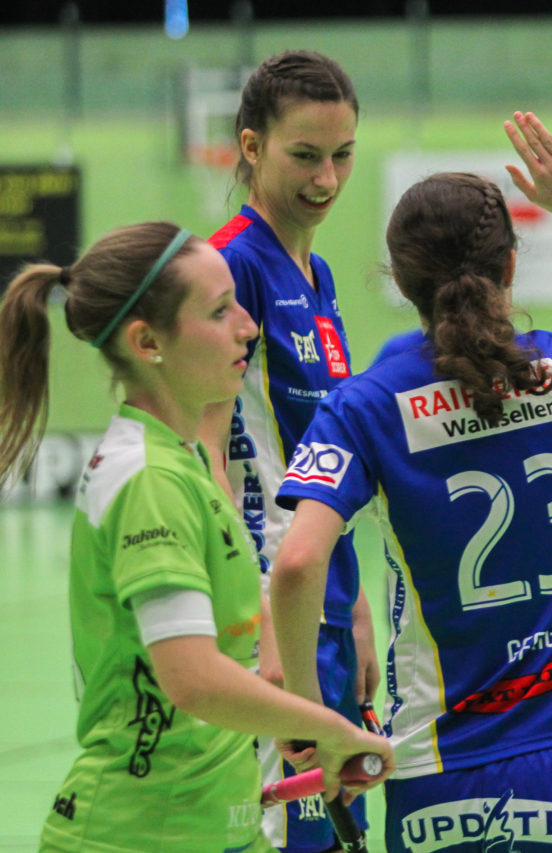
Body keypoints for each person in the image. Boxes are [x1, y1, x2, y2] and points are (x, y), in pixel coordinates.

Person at [270, 107, 552, 853]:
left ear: (401, 279)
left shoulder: (365, 404)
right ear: (509, 267)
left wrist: (310, 718)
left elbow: (299, 562)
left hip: (437, 766)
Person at [0, 222, 392, 852]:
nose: (249, 326)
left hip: (217, 824)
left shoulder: (182, 460)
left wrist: (284, 681)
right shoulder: (147, 478)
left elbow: (236, 631)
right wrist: (329, 726)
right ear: (147, 341)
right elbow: (192, 679)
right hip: (137, 834)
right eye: (218, 311)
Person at [196, 49, 379, 853]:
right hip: (272, 613)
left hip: (324, 603)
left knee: (336, 834)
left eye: (343, 155)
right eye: (305, 155)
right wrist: (258, 626)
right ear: (251, 146)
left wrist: (356, 603)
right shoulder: (228, 265)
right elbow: (204, 448)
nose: (327, 179)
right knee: (284, 836)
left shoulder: (320, 274)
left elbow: (319, 457)